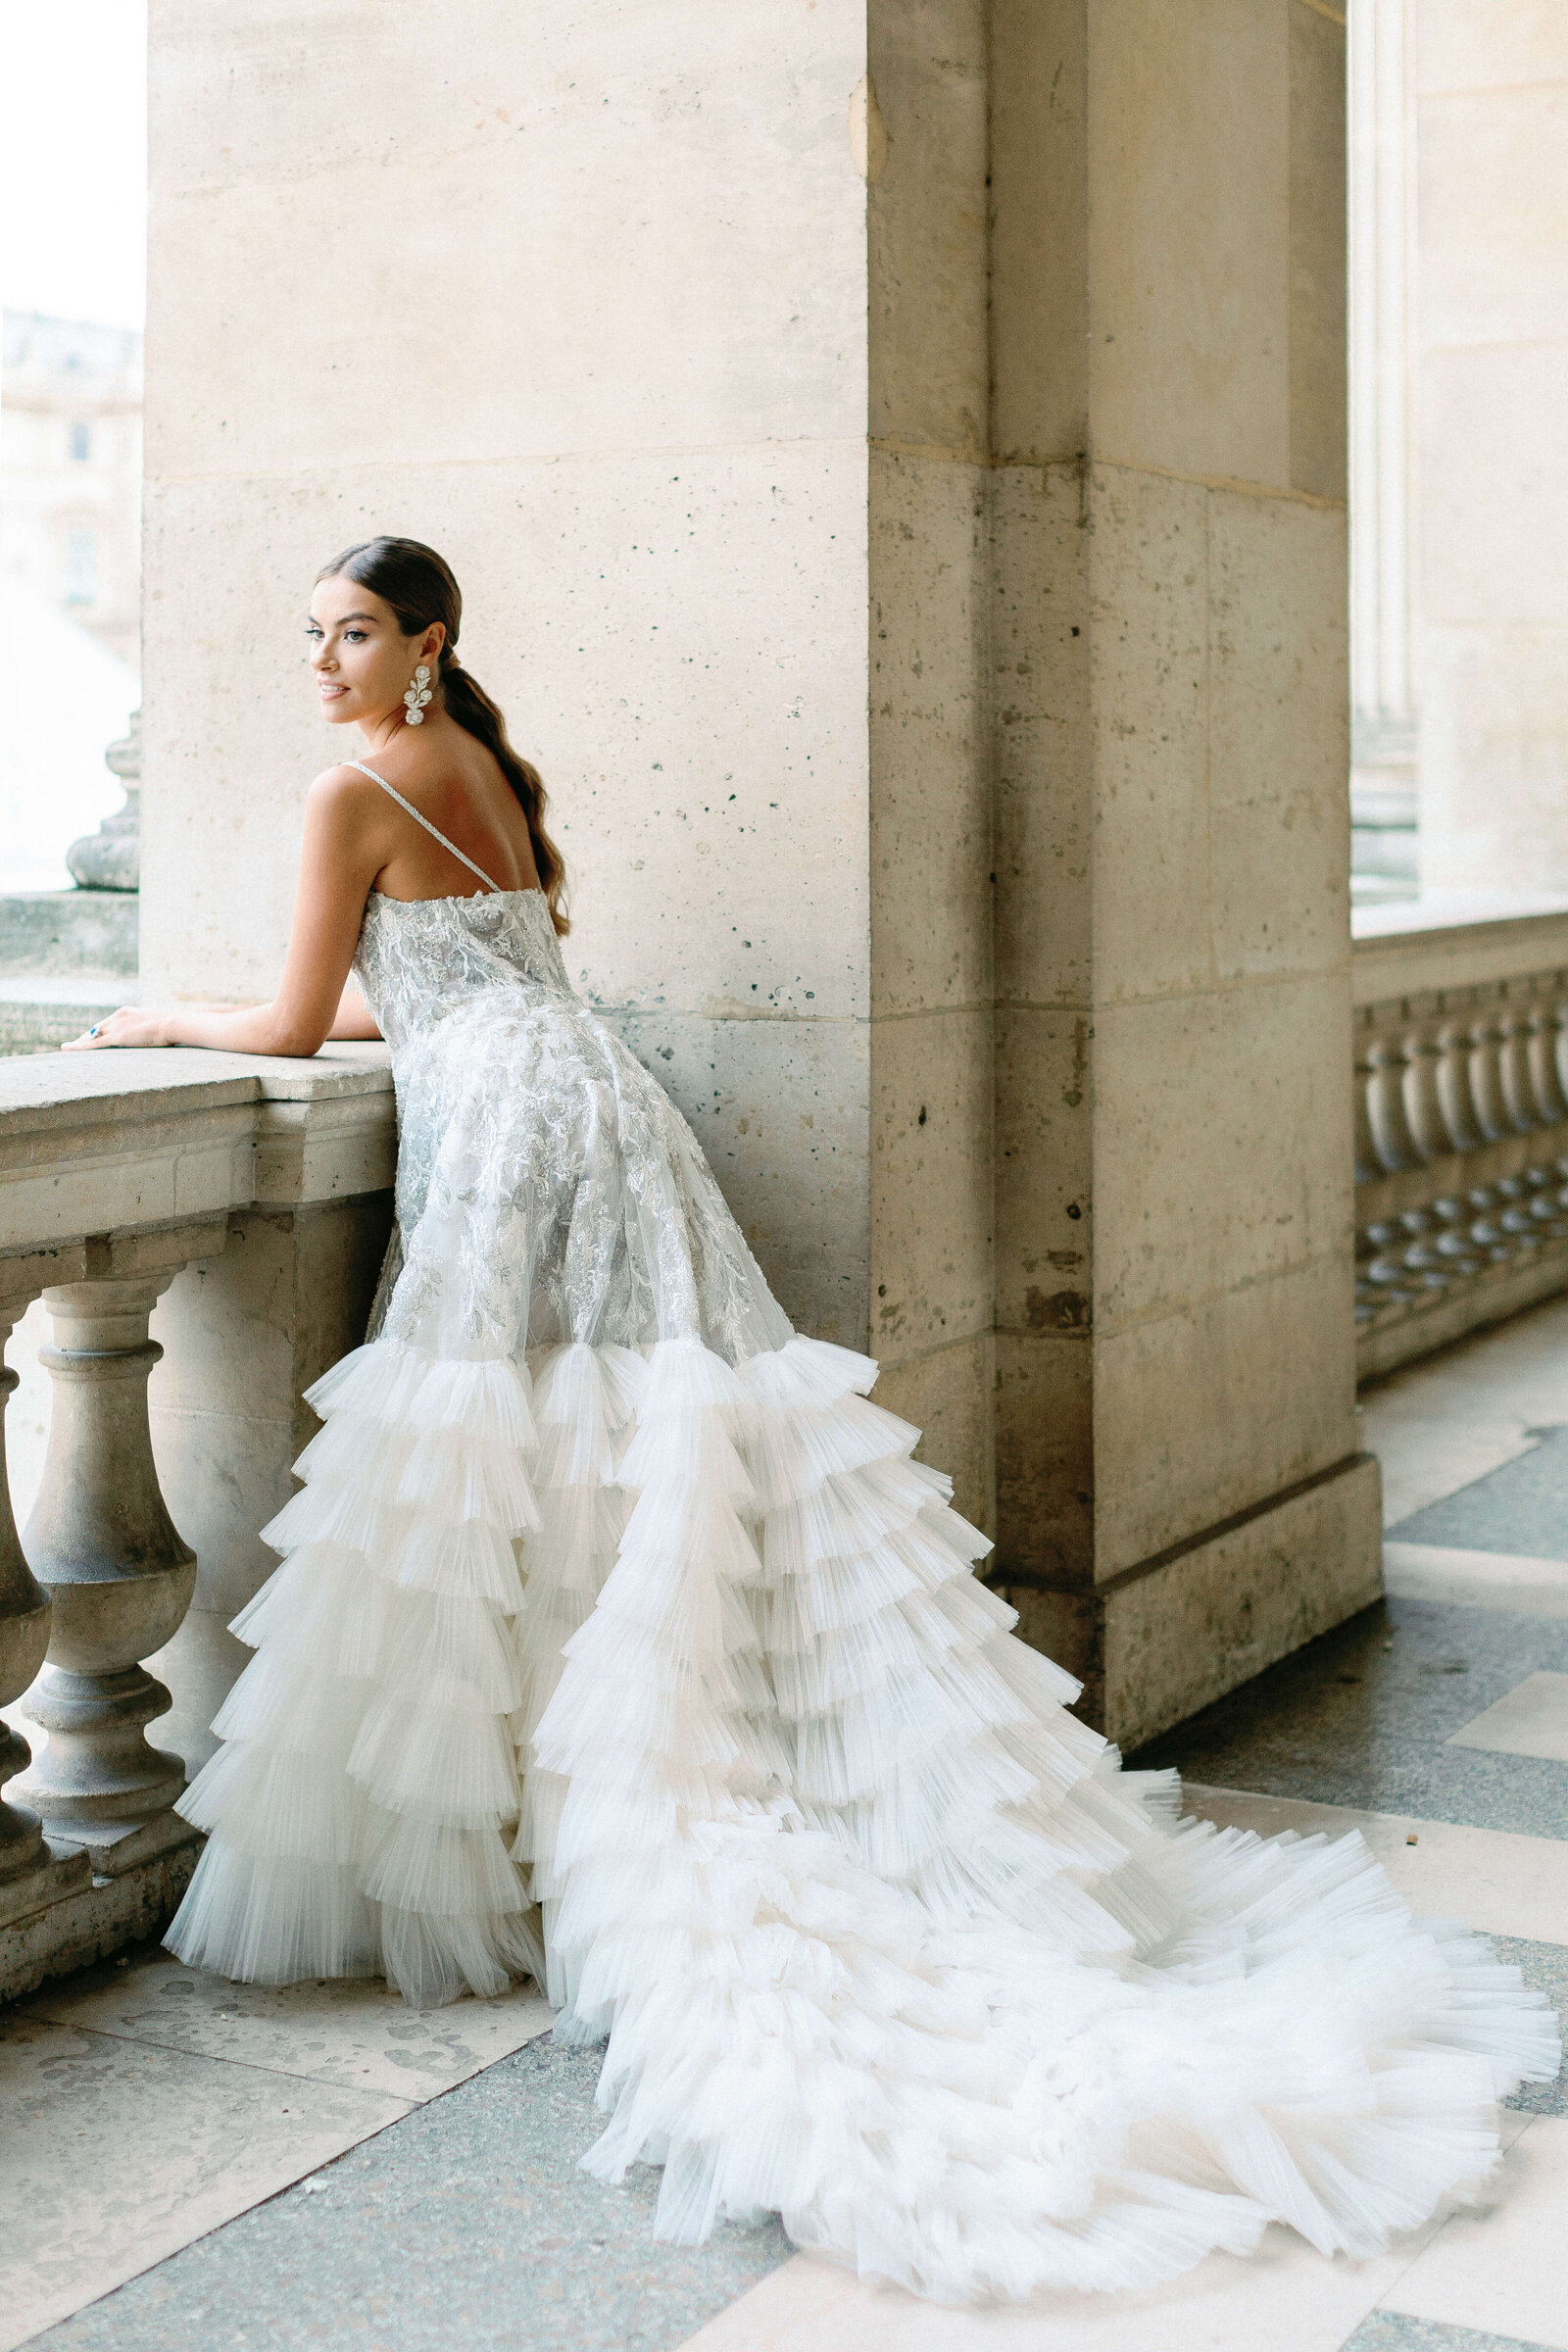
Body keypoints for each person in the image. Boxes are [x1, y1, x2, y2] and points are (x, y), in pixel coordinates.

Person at [68, 536, 1557, 2303]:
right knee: (640, 1440)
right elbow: (489, 981)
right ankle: (621, 1761)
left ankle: (552, 1813)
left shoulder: (354, 790)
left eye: (354, 633)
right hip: (604, 1114)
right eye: (308, 633)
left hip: (507, 1139)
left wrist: (168, 1013)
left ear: (427, 640)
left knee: (493, 1455)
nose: (320, 661)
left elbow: (297, 1024)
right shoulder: (480, 766)